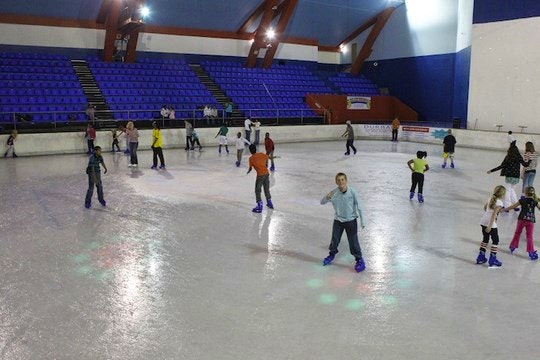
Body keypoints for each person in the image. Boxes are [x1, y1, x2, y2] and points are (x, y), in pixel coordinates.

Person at [320, 172, 367, 273]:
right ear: (336, 182)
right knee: (334, 239)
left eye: (342, 179)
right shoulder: (334, 193)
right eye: (338, 180)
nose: (341, 182)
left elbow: (360, 206)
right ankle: (331, 254)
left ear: (346, 181)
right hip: (338, 220)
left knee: (353, 241)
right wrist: (327, 197)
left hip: (351, 221)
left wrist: (363, 221)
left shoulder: (352, 192)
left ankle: (359, 260)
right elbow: (322, 202)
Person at [487, 141, 530, 208]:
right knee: (512, 190)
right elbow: (525, 164)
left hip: (509, 176)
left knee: (507, 190)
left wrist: (491, 170)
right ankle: (516, 206)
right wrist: (530, 160)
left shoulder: (508, 157)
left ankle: (507, 206)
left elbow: (501, 166)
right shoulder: (519, 157)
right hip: (516, 177)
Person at [505, 186, 540, 260]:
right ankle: (531, 251)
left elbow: (513, 206)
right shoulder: (535, 201)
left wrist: (505, 209)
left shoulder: (522, 200)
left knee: (517, 233)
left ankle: (513, 246)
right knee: (529, 236)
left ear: (525, 193)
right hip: (530, 220)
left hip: (521, 219)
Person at [476, 185, 506, 267]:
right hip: (491, 223)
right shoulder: (499, 202)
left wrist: (488, 213)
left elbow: (485, 208)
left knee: (485, 239)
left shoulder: (490, 198)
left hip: (483, 221)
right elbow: (493, 214)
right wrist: (489, 226)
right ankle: (493, 258)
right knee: (496, 240)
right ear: (502, 194)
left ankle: (480, 256)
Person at [247, 144, 273, 213]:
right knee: (266, 189)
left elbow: (250, 168)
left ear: (250, 151)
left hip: (260, 176)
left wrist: (248, 171)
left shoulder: (251, 159)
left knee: (257, 190)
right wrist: (273, 157)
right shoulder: (261, 154)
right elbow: (268, 157)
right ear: (255, 149)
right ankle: (270, 203)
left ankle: (259, 205)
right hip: (266, 174)